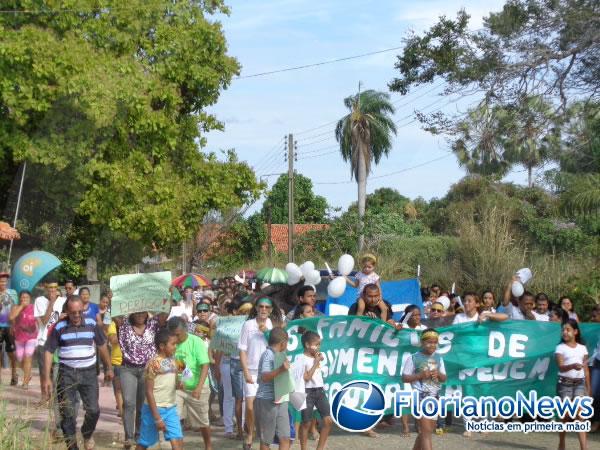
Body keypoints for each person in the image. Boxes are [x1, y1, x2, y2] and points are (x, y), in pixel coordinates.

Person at [42, 295, 113, 450]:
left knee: (93, 410)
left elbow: (102, 345)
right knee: (67, 412)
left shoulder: (92, 323)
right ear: (67, 311)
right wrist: (47, 378)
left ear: (83, 310)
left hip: (88, 373)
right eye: (73, 312)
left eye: (79, 312)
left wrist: (108, 367)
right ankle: (72, 446)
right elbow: (48, 351)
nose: (76, 315)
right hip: (66, 374)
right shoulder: (59, 327)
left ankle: (87, 434)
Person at [238, 297, 282, 450]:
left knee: (267, 408)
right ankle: (250, 433)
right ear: (256, 308)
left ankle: (265, 437)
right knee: (250, 407)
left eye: (267, 307)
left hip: (268, 372)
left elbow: (279, 347)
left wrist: (268, 333)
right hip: (251, 371)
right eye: (261, 306)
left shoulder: (273, 326)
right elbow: (242, 350)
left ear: (270, 310)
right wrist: (245, 372)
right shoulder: (248, 325)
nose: (263, 309)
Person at [119, 312, 163, 449]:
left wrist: (169, 292)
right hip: (128, 369)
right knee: (128, 402)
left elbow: (164, 313)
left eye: (142, 312)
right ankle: (129, 437)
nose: (139, 315)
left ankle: (139, 435)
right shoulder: (123, 325)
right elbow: (114, 312)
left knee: (141, 405)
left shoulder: (153, 324)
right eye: (136, 312)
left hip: (147, 370)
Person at [168, 316, 212, 450]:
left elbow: (205, 365)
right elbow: (180, 363)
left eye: (177, 335)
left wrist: (198, 388)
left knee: (202, 421)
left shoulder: (196, 342)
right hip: (179, 388)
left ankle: (208, 446)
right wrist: (180, 380)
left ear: (185, 330)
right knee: (174, 418)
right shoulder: (172, 344)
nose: (175, 338)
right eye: (173, 335)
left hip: (198, 387)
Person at [136, 328, 184, 450]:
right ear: (162, 346)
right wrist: (157, 418)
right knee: (144, 443)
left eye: (176, 344)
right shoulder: (153, 364)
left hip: (171, 408)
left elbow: (182, 376)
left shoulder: (176, 360)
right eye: (173, 344)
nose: (175, 347)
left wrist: (180, 383)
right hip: (153, 410)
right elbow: (148, 391)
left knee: (177, 440)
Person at [402, 328, 447, 450]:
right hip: (420, 397)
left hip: (435, 398)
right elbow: (404, 378)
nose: (432, 344)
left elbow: (444, 378)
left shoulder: (439, 358)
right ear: (422, 342)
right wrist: (420, 375)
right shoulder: (413, 358)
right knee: (427, 434)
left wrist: (438, 374)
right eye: (429, 342)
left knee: (425, 433)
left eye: (434, 342)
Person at [555, 319, 590, 450]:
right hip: (564, 385)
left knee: (580, 417)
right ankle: (562, 442)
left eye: (568, 329)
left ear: (575, 332)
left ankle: (584, 448)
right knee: (565, 416)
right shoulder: (560, 348)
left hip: (579, 385)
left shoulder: (583, 348)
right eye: (563, 330)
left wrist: (589, 388)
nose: (565, 332)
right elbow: (561, 367)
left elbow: (586, 370)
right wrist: (573, 366)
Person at [255, 327, 291, 450]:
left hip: (281, 399)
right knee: (266, 440)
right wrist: (281, 369)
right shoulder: (268, 355)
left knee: (285, 437)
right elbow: (265, 376)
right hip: (267, 400)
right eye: (287, 342)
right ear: (283, 343)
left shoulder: (281, 355)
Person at [296, 331, 332, 450]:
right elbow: (306, 378)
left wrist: (317, 360)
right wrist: (315, 363)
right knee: (306, 423)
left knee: (328, 421)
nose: (318, 347)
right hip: (307, 392)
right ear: (307, 345)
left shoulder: (316, 357)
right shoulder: (301, 358)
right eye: (316, 345)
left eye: (319, 344)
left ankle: (320, 448)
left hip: (320, 391)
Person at [34, 282, 66, 396]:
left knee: (58, 371)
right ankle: (44, 397)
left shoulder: (63, 300)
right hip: (44, 340)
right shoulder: (39, 300)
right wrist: (52, 302)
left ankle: (57, 397)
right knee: (44, 371)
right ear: (45, 288)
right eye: (50, 287)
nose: (52, 290)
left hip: (59, 340)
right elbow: (44, 320)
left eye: (54, 287)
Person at [8, 290, 37, 389]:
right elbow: (11, 317)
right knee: (20, 358)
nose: (24, 299)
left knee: (28, 356)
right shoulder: (16, 307)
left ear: (30, 299)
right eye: (22, 297)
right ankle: (27, 374)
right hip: (19, 337)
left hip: (31, 337)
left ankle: (25, 382)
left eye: (26, 298)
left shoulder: (34, 308)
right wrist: (21, 307)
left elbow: (40, 320)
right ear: (20, 299)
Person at [0, 272, 18, 385]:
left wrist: (14, 324)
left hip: (10, 326)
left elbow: (15, 308)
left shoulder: (13, 293)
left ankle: (14, 374)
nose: (3, 283)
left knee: (12, 352)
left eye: (4, 281)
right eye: (1, 281)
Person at [107, 317, 124, 418]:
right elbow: (113, 340)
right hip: (117, 361)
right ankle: (122, 413)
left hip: (132, 362)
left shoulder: (132, 323)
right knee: (118, 389)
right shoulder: (113, 325)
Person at [589, 304, 600, 433]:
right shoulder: (594, 325)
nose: (596, 313)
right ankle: (596, 421)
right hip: (598, 362)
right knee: (595, 392)